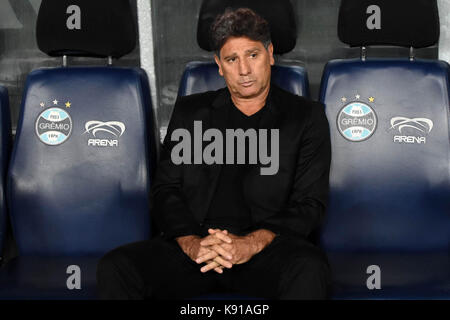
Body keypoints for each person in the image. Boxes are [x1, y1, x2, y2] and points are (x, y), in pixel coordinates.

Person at [97, 7, 332, 300]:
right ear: (219, 65)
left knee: (309, 269)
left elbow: (310, 203)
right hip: (197, 248)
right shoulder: (191, 112)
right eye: (232, 59)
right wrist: (192, 243)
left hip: (266, 249)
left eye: (253, 55)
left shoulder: (306, 117)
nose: (244, 70)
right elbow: (165, 189)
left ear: (270, 54)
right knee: (117, 267)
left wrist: (250, 244)